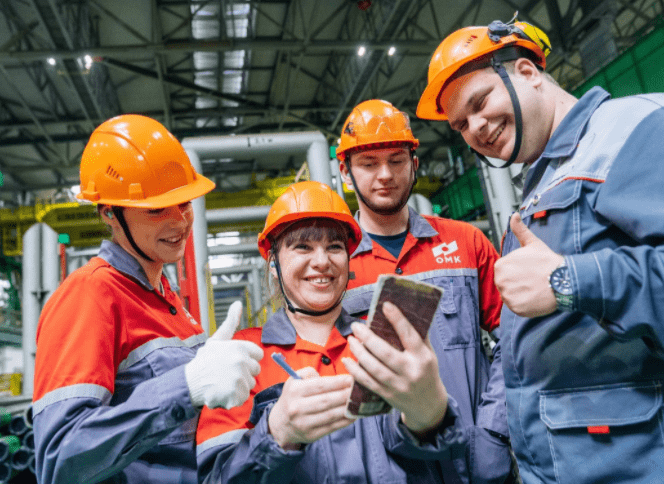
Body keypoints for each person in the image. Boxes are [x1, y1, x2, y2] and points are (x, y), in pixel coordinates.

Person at [417, 19, 664, 483]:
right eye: (461, 124)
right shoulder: (541, 179)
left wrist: (569, 280)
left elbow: (568, 283)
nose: (475, 129)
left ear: (528, 72)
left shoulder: (631, 131)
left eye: (480, 102)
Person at [32, 115, 264, 484]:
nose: (180, 222)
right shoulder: (89, 295)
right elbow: (61, 458)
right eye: (156, 209)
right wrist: (185, 387)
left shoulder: (164, 296)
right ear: (110, 213)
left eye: (184, 203)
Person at [195, 180, 468, 484]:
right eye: (302, 247)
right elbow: (215, 478)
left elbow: (443, 463)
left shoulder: (381, 344)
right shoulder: (241, 356)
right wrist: (276, 433)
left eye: (334, 247)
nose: (322, 262)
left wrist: (430, 416)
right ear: (273, 263)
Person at [336, 99, 513, 483]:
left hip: (475, 454)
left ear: (414, 164)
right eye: (368, 163)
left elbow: (516, 339)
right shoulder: (333, 265)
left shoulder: (466, 242)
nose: (385, 174)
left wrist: (495, 429)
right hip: (391, 465)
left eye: (396, 160)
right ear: (346, 173)